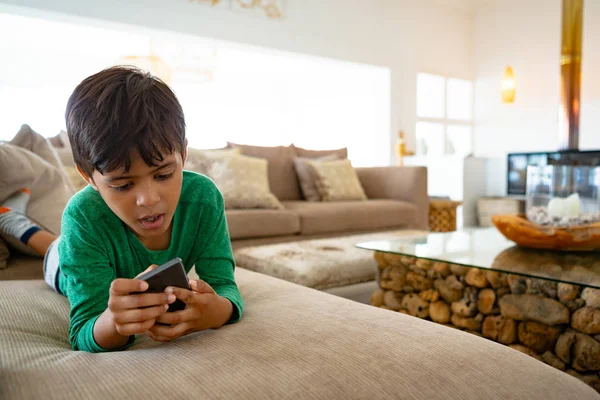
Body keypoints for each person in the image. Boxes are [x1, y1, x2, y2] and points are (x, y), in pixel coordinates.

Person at [0, 66, 243, 352]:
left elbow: (225, 286)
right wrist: (114, 322)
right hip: (61, 265)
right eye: (123, 185)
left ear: (184, 154)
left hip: (87, 244)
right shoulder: (81, 217)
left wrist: (217, 311)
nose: (149, 200)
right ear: (88, 177)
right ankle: (13, 220)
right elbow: (83, 330)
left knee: (60, 242)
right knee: (53, 249)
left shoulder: (204, 198)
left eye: (164, 175)